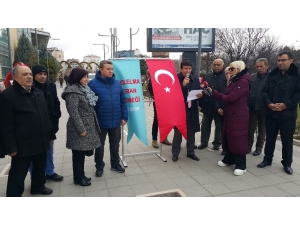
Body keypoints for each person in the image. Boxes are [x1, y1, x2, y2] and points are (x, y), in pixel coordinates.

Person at [0, 65, 53, 196]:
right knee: (18, 174)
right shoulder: (8, 95)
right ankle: (14, 195)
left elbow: (45, 116)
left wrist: (50, 134)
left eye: (30, 74)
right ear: (16, 78)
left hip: (41, 141)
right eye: (24, 74)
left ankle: (38, 187)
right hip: (22, 144)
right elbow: (5, 124)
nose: (29, 76)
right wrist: (10, 147)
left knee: (39, 168)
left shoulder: (37, 92)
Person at [257, 52, 300, 175]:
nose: (280, 62)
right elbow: (264, 91)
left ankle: (287, 163)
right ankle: (267, 159)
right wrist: (269, 104)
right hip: (271, 112)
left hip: (287, 113)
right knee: (270, 138)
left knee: (287, 140)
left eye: (283, 60)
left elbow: (298, 94)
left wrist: (286, 105)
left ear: (290, 61)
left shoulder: (296, 75)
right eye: (278, 60)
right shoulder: (272, 74)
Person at [208, 61, 250, 176]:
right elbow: (226, 94)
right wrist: (215, 92)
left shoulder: (243, 82)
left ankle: (241, 165)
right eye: (229, 69)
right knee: (229, 135)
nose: (229, 71)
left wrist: (215, 93)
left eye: (232, 69)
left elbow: (230, 97)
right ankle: (229, 159)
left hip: (239, 115)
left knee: (238, 137)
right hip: (231, 114)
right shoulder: (234, 80)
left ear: (238, 69)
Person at [61, 68, 101, 186]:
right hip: (79, 127)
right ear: (77, 78)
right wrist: (81, 129)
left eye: (86, 77)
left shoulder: (83, 89)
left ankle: (81, 175)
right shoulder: (72, 92)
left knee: (82, 153)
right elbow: (73, 113)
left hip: (88, 124)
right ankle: (78, 178)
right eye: (84, 77)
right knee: (78, 154)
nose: (86, 79)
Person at [88, 60, 128, 176]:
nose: (110, 71)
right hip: (100, 122)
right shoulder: (93, 84)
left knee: (115, 145)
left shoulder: (117, 84)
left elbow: (123, 102)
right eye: (108, 69)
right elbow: (89, 105)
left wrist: (124, 116)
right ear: (101, 69)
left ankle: (115, 164)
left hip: (116, 121)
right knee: (99, 146)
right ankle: (99, 166)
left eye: (111, 69)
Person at [29, 64, 64, 182]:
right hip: (34, 126)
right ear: (33, 75)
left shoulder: (51, 85)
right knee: (34, 153)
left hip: (50, 124)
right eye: (39, 74)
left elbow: (56, 101)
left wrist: (56, 114)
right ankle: (36, 176)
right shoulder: (30, 87)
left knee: (49, 149)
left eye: (45, 74)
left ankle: (50, 172)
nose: (43, 76)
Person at [171, 60, 202, 162]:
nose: (188, 70)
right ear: (181, 69)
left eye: (189, 68)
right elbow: (173, 94)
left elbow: (198, 92)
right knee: (178, 133)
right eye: (185, 68)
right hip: (180, 110)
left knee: (191, 133)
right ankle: (175, 153)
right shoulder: (175, 79)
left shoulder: (196, 80)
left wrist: (200, 95)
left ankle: (191, 152)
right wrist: (182, 85)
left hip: (191, 110)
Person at [198, 59, 226, 151]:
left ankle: (217, 143)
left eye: (218, 65)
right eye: (214, 65)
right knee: (205, 125)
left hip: (219, 106)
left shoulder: (225, 77)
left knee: (219, 126)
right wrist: (202, 100)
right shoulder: (208, 76)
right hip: (208, 104)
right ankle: (203, 142)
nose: (216, 67)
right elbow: (203, 88)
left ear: (222, 65)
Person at [247, 58, 269, 156]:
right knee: (250, 128)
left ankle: (259, 148)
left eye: (261, 66)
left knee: (262, 129)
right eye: (257, 67)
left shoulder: (271, 78)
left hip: (264, 108)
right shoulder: (252, 77)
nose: (259, 68)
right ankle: (248, 146)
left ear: (267, 67)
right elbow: (248, 91)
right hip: (252, 107)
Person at [147, 69, 172, 148]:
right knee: (157, 120)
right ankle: (154, 140)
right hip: (158, 101)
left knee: (166, 120)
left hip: (167, 101)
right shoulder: (153, 77)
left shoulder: (166, 75)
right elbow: (150, 89)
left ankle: (164, 137)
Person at [217, 66, 230, 155]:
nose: (228, 75)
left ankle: (230, 148)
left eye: (230, 73)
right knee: (223, 130)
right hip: (222, 110)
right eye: (226, 73)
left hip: (232, 112)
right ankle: (224, 148)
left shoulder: (237, 84)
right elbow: (217, 97)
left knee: (231, 131)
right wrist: (218, 107)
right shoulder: (221, 84)